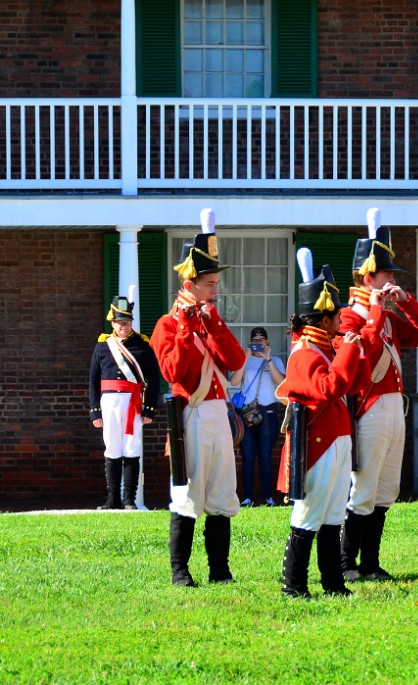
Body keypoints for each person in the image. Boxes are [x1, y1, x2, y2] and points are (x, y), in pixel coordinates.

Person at [339, 207, 418, 581]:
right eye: (385, 274)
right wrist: (378, 308)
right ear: (367, 276)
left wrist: (406, 300)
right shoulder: (350, 316)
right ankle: (347, 563)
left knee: (386, 489)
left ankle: (370, 562)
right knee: (364, 487)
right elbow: (367, 352)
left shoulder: (387, 314)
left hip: (395, 406)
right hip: (370, 408)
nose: (390, 279)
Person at [151, 209, 246, 587]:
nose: (215, 291)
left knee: (223, 494)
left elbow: (236, 361)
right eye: (209, 285)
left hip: (217, 416)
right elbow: (175, 372)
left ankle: (220, 570)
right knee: (188, 496)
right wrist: (189, 325)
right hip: (189, 415)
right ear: (189, 285)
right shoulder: (167, 325)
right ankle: (180, 572)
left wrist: (212, 322)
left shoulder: (209, 322)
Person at [275, 250, 369, 598]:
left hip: (337, 439)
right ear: (323, 319)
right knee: (309, 516)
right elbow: (328, 388)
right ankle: (293, 585)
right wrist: (346, 352)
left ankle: (333, 583)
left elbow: (352, 385)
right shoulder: (304, 353)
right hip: (318, 445)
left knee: (332, 517)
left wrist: (353, 351)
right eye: (336, 317)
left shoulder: (327, 348)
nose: (341, 322)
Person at [88, 290, 161, 510]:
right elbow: (93, 379)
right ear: (112, 323)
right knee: (112, 449)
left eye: (127, 322)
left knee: (131, 449)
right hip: (109, 403)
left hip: (133, 402)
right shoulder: (102, 346)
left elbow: (154, 379)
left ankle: (129, 499)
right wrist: (94, 411)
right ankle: (113, 499)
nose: (124, 326)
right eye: (120, 322)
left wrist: (149, 409)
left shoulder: (142, 345)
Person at [229, 326, 286, 507]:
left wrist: (267, 359)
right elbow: (234, 381)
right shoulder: (244, 361)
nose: (258, 343)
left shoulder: (275, 360)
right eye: (255, 341)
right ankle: (247, 497)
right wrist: (245, 358)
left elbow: (282, 382)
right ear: (250, 342)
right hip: (247, 413)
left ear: (267, 342)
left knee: (264, 456)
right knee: (248, 456)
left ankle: (268, 496)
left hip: (267, 412)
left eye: (261, 340)